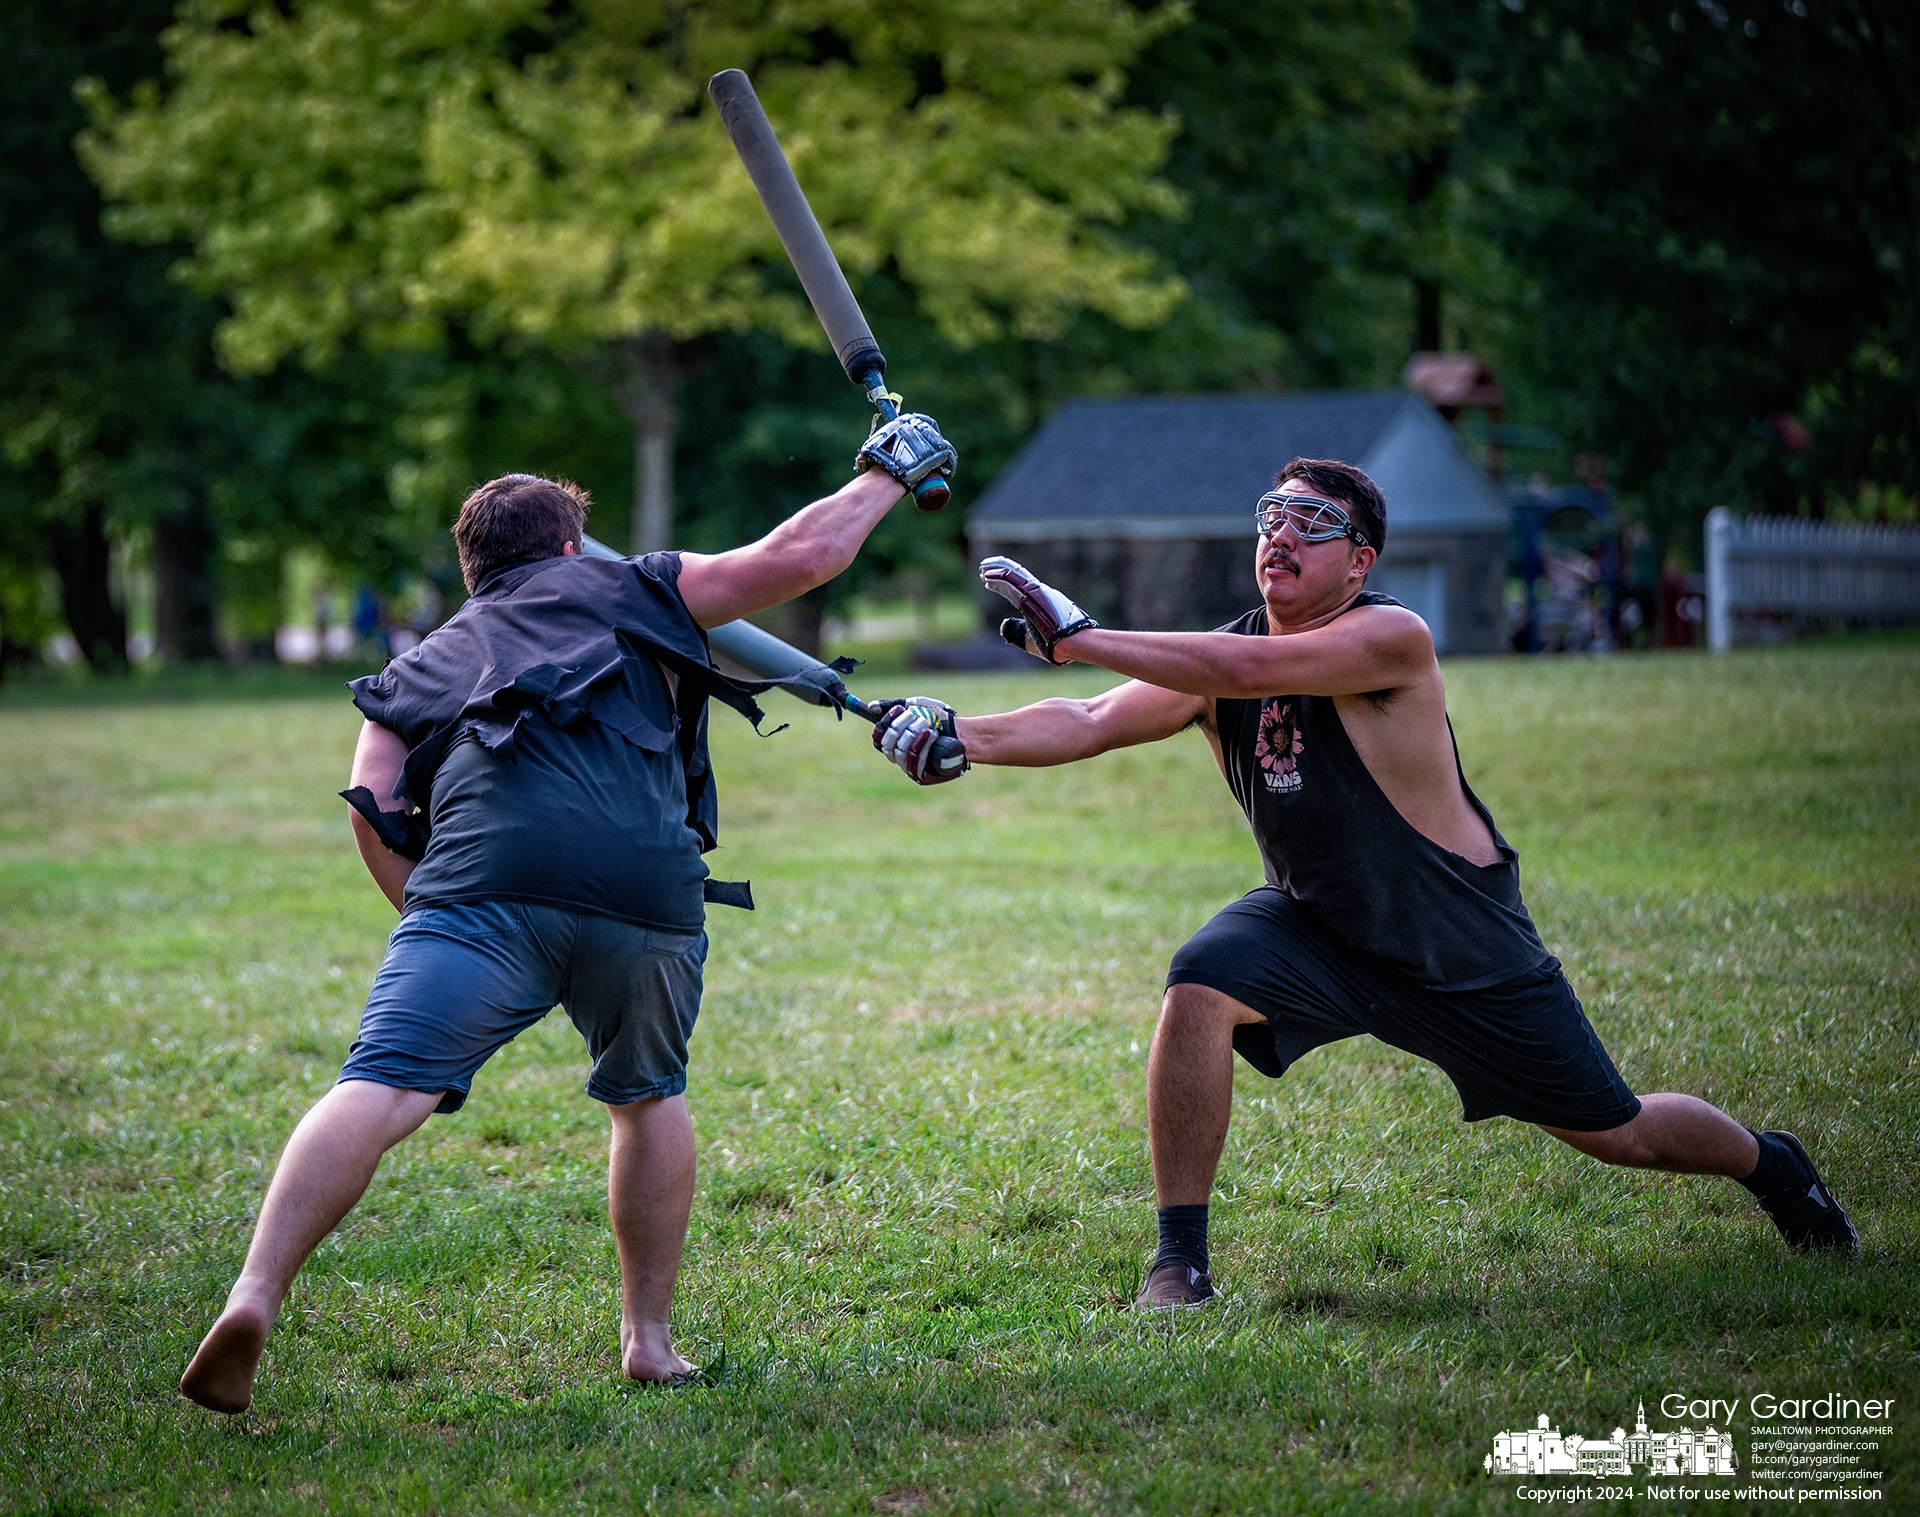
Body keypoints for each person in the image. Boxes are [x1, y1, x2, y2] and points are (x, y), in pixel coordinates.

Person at [868, 457, 1858, 1309]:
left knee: (1622, 1131)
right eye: (1271, 516)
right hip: (1321, 930)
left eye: (1314, 522)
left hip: (1459, 950)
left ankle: (1774, 1166)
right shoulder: (1229, 650)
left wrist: (1083, 632)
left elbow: (1242, 671)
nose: (1282, 533)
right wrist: (957, 734)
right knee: (1201, 980)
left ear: (1360, 560)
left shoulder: (1391, 639)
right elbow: (1088, 718)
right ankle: (1180, 1263)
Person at [179, 412, 957, 1412]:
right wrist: (888, 470)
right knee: (646, 1094)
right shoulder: (639, 582)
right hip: (644, 885)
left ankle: (253, 1292)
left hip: (480, 888)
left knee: (377, 1084)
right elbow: (804, 554)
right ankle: (650, 1339)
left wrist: (434, 915)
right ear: (565, 543)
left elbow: (372, 805)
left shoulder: (422, 662)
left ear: (474, 572)